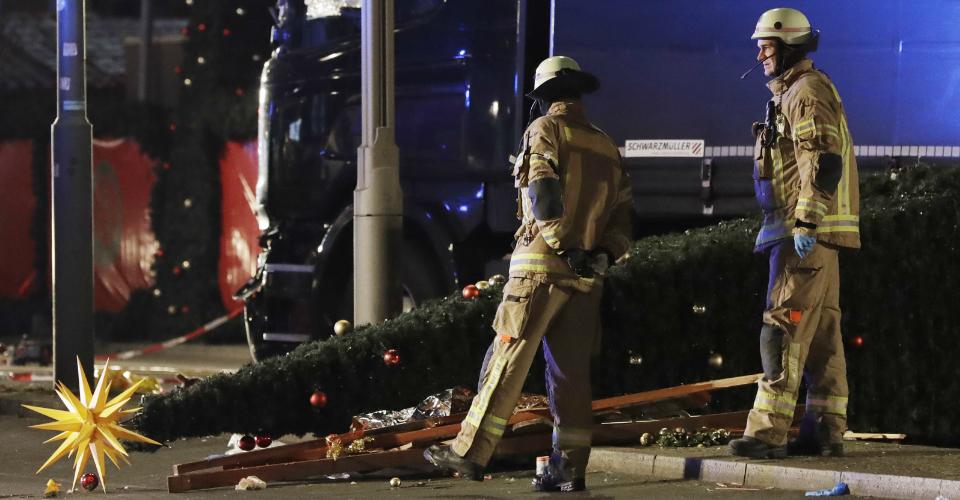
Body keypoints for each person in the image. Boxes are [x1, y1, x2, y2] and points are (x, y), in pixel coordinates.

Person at [424, 55, 633, 492]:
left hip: (541, 269)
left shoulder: (544, 130)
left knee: (507, 357)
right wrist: (601, 257)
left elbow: (541, 192)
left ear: (545, 98)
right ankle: (569, 469)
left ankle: (469, 452)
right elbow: (622, 218)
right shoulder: (605, 144)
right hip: (586, 277)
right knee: (571, 376)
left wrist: (563, 246)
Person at [729, 7, 861, 459]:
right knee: (822, 333)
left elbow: (821, 159)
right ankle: (825, 430)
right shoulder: (797, 92)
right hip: (810, 235)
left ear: (789, 47)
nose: (761, 52)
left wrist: (805, 220)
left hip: (801, 233)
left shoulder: (804, 92)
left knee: (782, 326)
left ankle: (766, 432)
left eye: (767, 45)